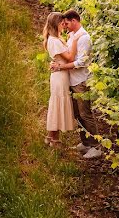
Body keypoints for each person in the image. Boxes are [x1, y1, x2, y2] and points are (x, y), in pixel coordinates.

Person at [50, 9, 103, 159]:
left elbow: (82, 62)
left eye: (67, 23)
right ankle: (86, 142)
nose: (65, 26)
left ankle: (96, 146)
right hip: (71, 80)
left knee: (86, 113)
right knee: (77, 113)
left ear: (74, 21)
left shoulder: (84, 38)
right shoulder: (72, 35)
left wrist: (60, 67)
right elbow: (67, 55)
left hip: (81, 80)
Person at [43, 11, 77, 146]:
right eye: (62, 23)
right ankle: (55, 139)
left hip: (59, 75)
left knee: (56, 104)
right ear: (55, 24)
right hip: (59, 76)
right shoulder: (55, 41)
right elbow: (70, 58)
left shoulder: (54, 39)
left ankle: (50, 137)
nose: (64, 26)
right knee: (57, 104)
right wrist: (74, 40)